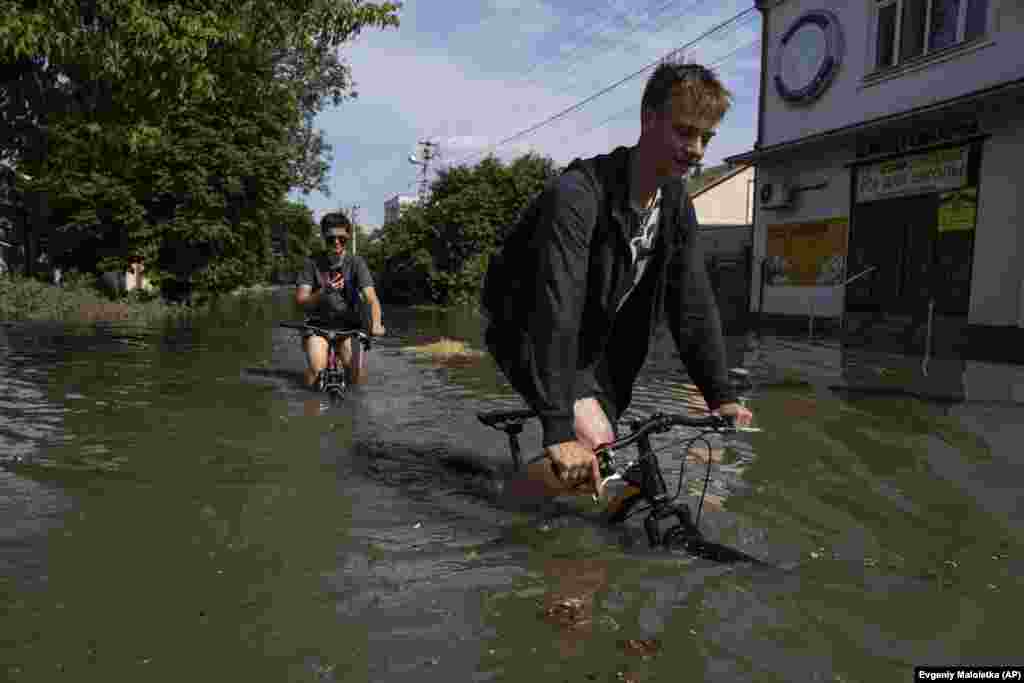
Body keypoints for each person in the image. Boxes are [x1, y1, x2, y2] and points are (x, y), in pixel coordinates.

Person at [481, 61, 753, 497]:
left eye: (707, 138)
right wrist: (556, 429)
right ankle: (503, 510)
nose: (699, 149)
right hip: (529, 331)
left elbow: (692, 300)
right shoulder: (576, 195)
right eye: (685, 132)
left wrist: (719, 394)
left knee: (600, 465)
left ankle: (543, 509)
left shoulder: (674, 200)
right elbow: (557, 303)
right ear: (648, 119)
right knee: (590, 445)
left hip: (593, 346)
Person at [295, 211, 385, 389]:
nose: (336, 242)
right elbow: (301, 301)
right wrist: (323, 291)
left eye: (341, 238)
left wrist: (376, 323)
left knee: (356, 375)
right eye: (331, 238)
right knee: (316, 370)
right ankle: (310, 405)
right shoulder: (311, 263)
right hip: (317, 326)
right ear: (324, 238)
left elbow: (371, 298)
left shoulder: (357, 263)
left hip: (349, 327)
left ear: (348, 237)